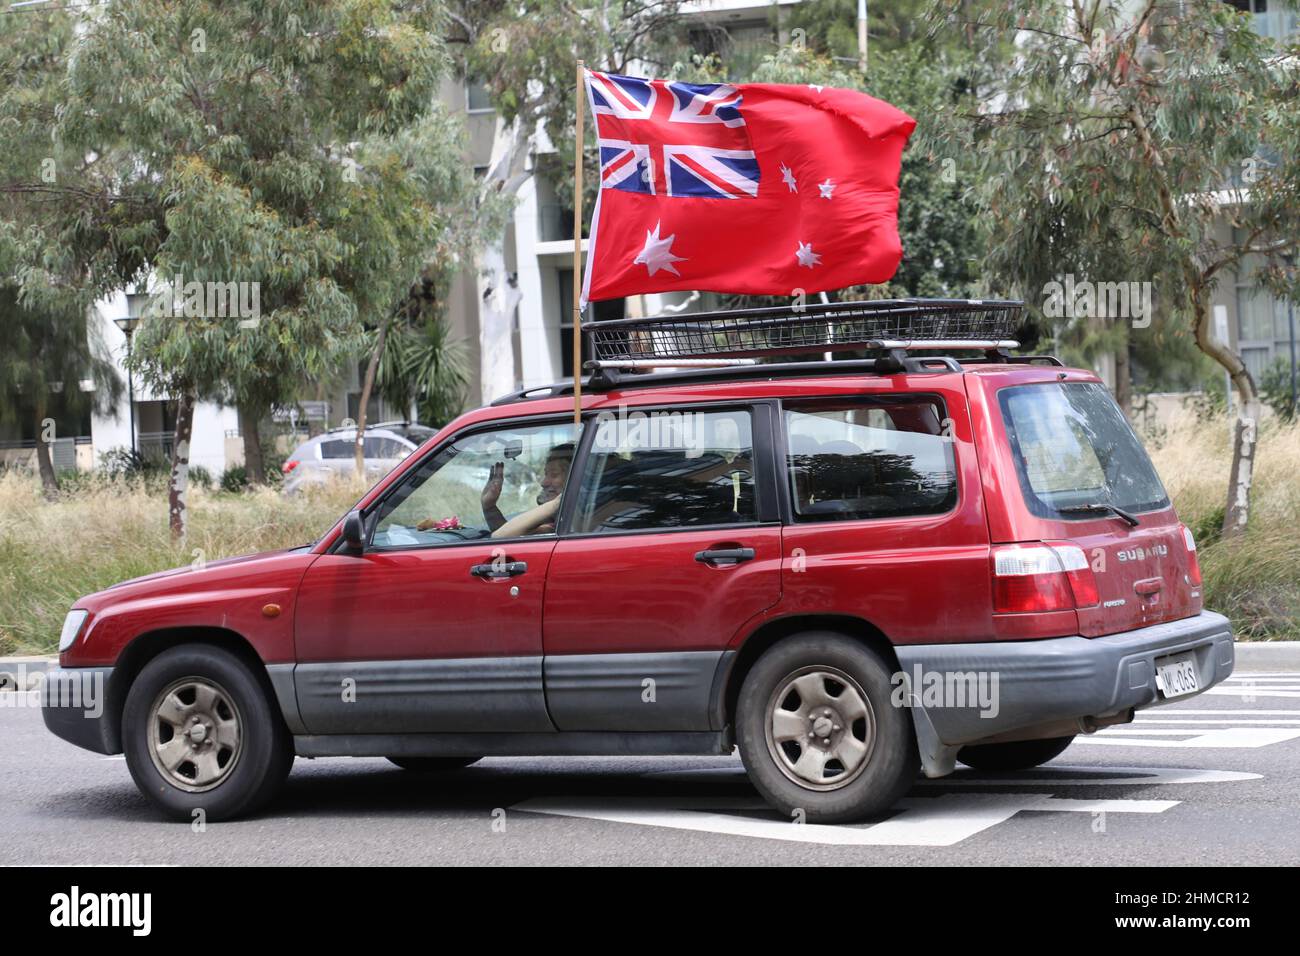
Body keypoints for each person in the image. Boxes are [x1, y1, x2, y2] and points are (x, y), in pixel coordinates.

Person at [481, 442, 574, 538]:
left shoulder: (571, 523)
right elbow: (511, 536)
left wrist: (559, 501)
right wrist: (489, 507)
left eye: (554, 475)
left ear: (575, 478)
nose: (543, 483)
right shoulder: (560, 521)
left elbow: (502, 536)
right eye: (546, 474)